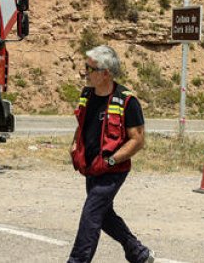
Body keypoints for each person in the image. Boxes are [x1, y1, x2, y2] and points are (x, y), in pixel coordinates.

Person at [68, 45, 154, 263]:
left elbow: (138, 139)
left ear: (105, 73)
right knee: (104, 216)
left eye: (90, 68)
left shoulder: (127, 101)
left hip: (113, 168)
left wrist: (113, 159)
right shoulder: (86, 95)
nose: (84, 72)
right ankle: (138, 253)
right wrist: (74, 145)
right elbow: (82, 125)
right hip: (91, 167)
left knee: (91, 215)